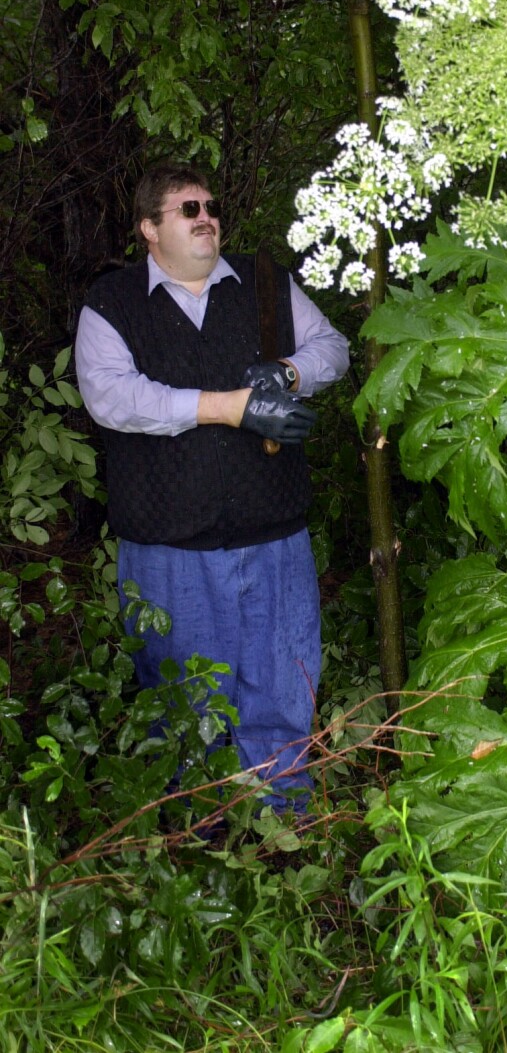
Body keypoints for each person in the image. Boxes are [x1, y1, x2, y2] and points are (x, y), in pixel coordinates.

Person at [74, 164, 349, 813]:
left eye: (211, 206)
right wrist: (227, 406)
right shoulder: (111, 304)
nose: (207, 217)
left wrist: (288, 370)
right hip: (169, 549)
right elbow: (113, 396)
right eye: (187, 208)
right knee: (184, 709)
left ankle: (282, 829)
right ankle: (198, 835)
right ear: (148, 227)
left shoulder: (262, 283)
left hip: (275, 538)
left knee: (280, 697)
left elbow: (331, 348)